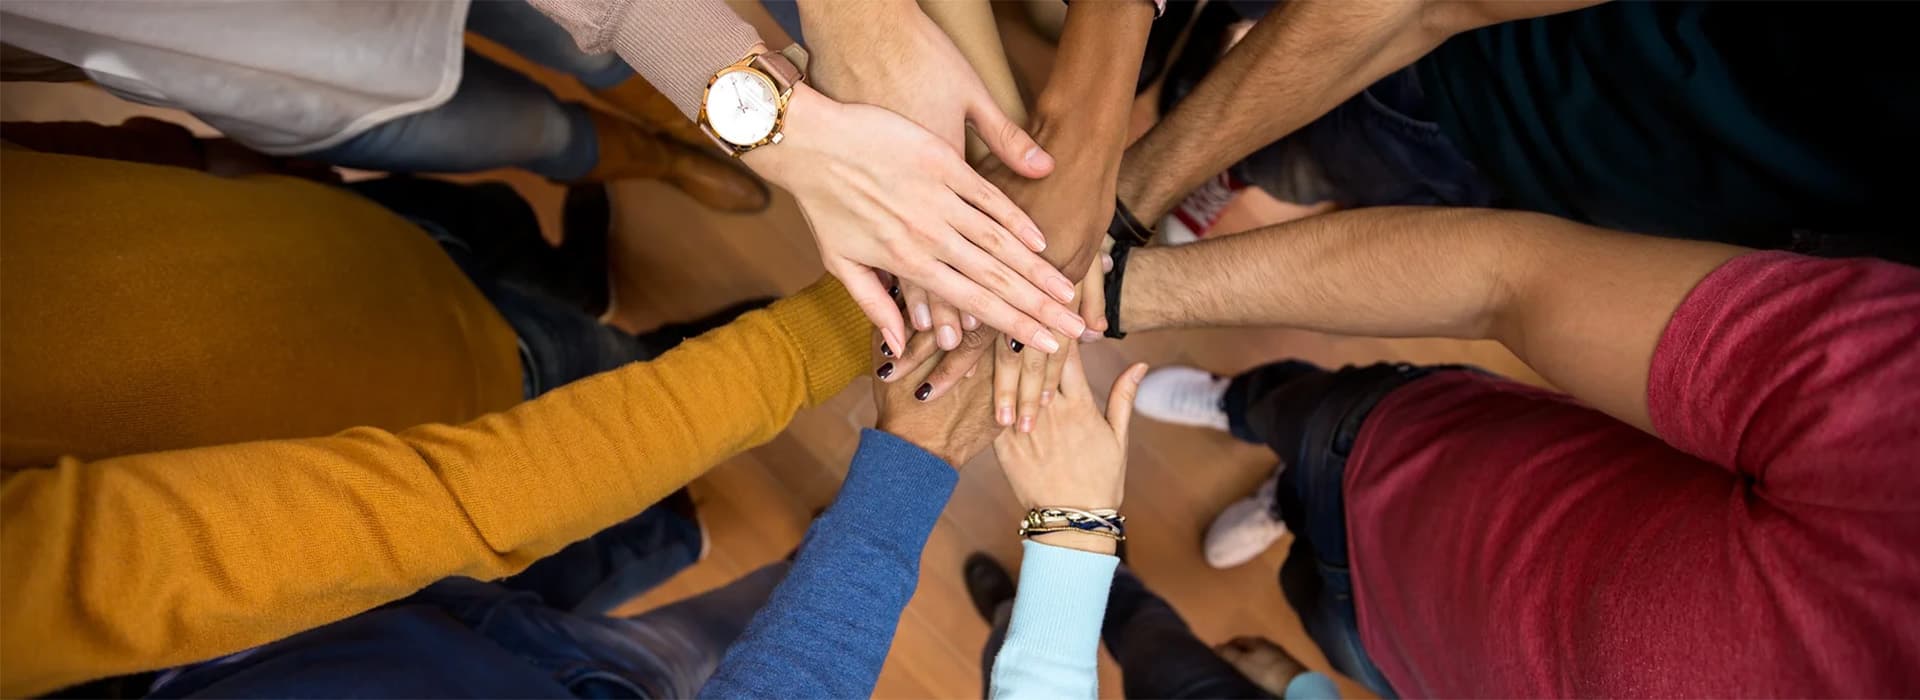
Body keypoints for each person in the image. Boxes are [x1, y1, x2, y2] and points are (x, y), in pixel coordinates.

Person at [0, 147, 878, 696]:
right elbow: (454, 501)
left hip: (381, 308)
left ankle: (653, 376)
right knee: (701, 637)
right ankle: (798, 542)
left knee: (576, 350)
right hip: (440, 528)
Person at [1086, 206, 1920, 695]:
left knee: (1298, 576)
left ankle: (1283, 496)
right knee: (1283, 406)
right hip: (1394, 451)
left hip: (1387, 660)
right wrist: (1120, 295)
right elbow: (1512, 281)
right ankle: (1233, 405)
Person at [1, 0, 1091, 354]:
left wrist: (785, 122)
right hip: (277, 58)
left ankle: (676, 130)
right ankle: (650, 156)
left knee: (588, 46)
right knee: (521, 129)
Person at [1119, 0, 1919, 261]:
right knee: (1307, 144)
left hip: (1570, 206)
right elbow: (1428, 8)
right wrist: (1125, 199)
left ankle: (1217, 156)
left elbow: (1507, 293)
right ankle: (1215, 140)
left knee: (1331, 182)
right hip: (1500, 84)